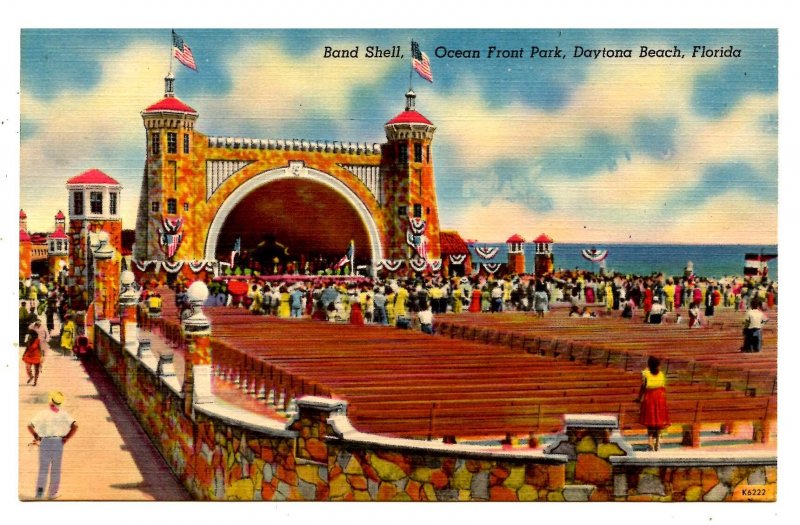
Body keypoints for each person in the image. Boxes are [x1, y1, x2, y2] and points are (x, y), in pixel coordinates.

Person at [28, 391, 78, 500]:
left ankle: (39, 494)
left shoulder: (42, 413)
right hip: (57, 442)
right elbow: (75, 426)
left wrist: (37, 436)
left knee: (43, 469)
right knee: (56, 469)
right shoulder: (63, 414)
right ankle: (52, 494)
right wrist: (66, 438)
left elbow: (30, 426)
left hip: (45, 442)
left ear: (50, 402)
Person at [637, 356, 670, 451]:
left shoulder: (646, 374)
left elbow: (643, 388)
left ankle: (650, 442)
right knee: (658, 422)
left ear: (649, 365)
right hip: (660, 399)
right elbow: (663, 387)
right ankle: (658, 443)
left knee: (650, 422)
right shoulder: (661, 374)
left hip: (650, 399)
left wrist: (639, 398)